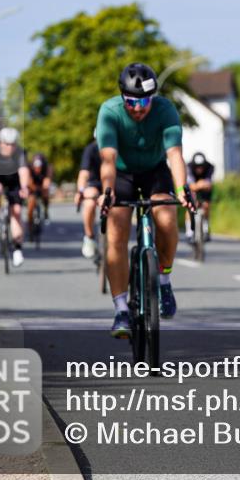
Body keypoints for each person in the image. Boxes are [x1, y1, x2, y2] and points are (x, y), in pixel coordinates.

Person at [96, 63, 195, 337]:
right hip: (122, 173)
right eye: (131, 102)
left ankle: (163, 280)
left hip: (154, 171)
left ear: (152, 98)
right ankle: (121, 310)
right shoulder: (110, 112)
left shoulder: (165, 111)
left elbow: (174, 154)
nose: (138, 108)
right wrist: (107, 190)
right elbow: (107, 159)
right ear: (122, 98)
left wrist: (183, 188)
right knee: (116, 230)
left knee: (165, 216)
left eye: (144, 101)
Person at [0, 127, 31, 267]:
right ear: (1, 143)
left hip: (14, 182)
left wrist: (25, 187)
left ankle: (17, 250)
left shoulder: (20, 152)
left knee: (17, 213)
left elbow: (23, 171)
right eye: (7, 144)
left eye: (13, 144)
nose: (10, 147)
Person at [75, 131, 102, 259]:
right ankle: (89, 236)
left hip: (115, 183)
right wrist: (80, 190)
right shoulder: (91, 150)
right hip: (95, 183)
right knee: (90, 202)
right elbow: (84, 173)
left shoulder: (120, 147)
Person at [185, 152, 214, 241]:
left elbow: (209, 185)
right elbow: (191, 185)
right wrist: (199, 185)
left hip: (204, 189)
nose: (199, 169)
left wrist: (199, 185)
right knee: (191, 206)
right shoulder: (189, 167)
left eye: (201, 166)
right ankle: (189, 232)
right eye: (197, 166)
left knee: (206, 205)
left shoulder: (210, 167)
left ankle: (206, 229)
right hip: (193, 188)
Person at [27, 151, 53, 229]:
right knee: (31, 203)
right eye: (36, 168)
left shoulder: (46, 168)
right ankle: (30, 224)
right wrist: (33, 188)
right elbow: (29, 182)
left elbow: (47, 181)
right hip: (33, 185)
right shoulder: (29, 169)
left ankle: (46, 211)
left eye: (39, 168)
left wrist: (44, 188)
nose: (38, 170)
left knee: (45, 193)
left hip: (42, 184)